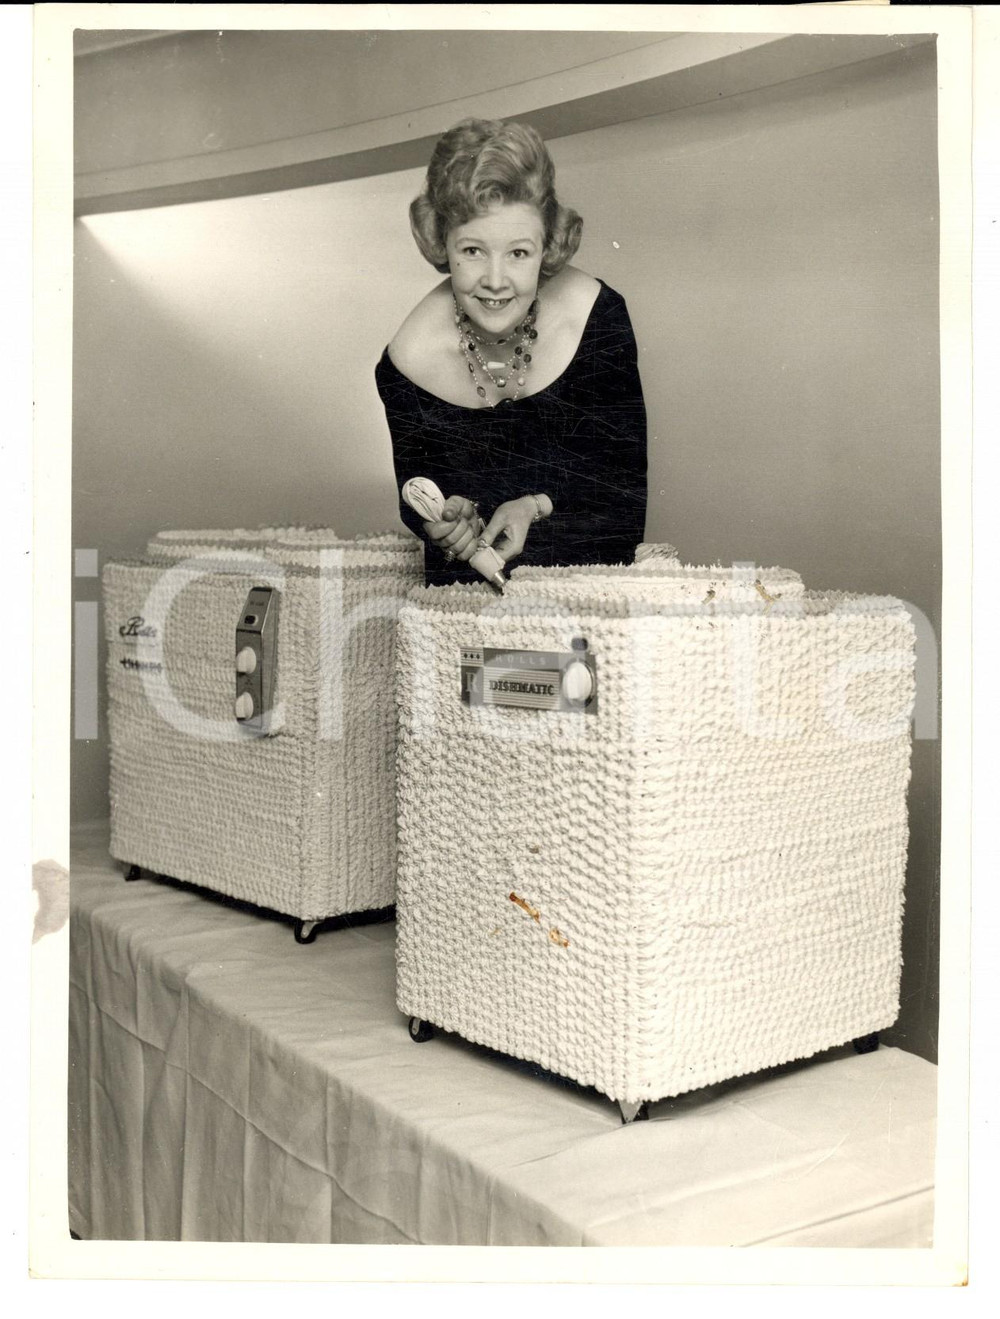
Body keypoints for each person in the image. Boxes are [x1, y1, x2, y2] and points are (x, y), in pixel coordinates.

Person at [375, 118, 648, 586]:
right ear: (442, 242)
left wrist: (534, 507)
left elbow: (624, 502)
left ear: (549, 245)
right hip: (463, 617)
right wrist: (449, 522)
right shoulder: (406, 362)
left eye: (518, 253)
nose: (496, 281)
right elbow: (417, 497)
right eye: (474, 251)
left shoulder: (597, 319)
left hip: (590, 600)